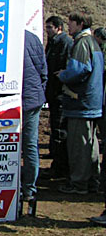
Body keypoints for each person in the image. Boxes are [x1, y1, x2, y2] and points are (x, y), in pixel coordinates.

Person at [57, 12, 103, 195]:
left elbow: (79, 70)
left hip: (80, 103)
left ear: (80, 24)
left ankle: (79, 183)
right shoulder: (93, 42)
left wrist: (63, 75)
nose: (68, 26)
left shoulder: (82, 43)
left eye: (71, 23)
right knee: (90, 144)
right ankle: (92, 181)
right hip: (92, 102)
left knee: (78, 145)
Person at [42, 16, 73, 180]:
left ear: (58, 28)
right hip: (53, 93)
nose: (47, 30)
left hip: (60, 93)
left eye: (50, 27)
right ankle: (56, 160)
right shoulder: (53, 43)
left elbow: (66, 67)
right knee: (55, 129)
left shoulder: (65, 43)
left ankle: (61, 168)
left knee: (60, 131)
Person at [21, 30, 47, 207]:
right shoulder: (33, 38)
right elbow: (43, 70)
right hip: (33, 97)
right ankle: (29, 190)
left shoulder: (0, 37)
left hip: (17, 99)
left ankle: (15, 186)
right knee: (30, 145)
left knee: (11, 144)